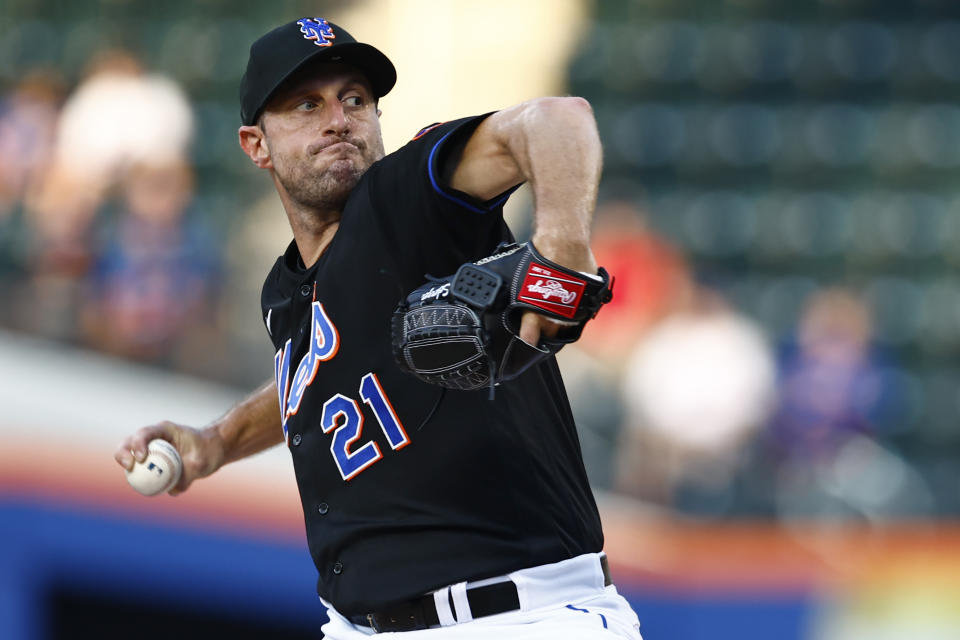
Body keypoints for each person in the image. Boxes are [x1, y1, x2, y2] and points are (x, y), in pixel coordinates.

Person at [114, 17, 642, 639]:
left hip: (519, 616)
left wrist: (561, 241)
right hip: (358, 626)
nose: (338, 118)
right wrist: (219, 440)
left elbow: (556, 118)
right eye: (307, 104)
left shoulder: (408, 200)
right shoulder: (284, 293)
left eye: (355, 99)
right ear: (256, 145)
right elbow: (314, 385)